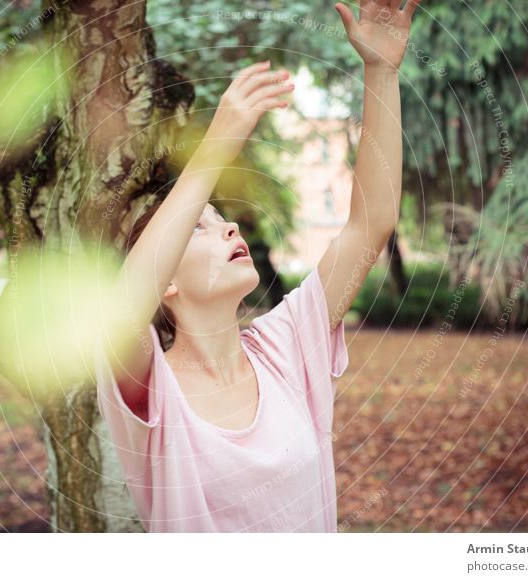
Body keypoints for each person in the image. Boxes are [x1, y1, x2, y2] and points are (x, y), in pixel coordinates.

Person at [95, 0, 422, 532]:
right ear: (166, 282)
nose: (231, 228)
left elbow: (369, 225)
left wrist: (381, 71)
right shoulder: (150, 389)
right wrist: (217, 147)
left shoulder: (288, 346)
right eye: (199, 226)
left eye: (225, 218)